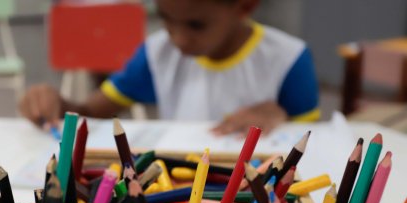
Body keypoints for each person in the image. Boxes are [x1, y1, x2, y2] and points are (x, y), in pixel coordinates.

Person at [19, 0, 319, 136]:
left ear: (244, 6)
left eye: (195, 24)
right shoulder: (156, 53)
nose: (177, 38)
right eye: (165, 17)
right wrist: (58, 104)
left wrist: (284, 117)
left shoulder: (289, 59)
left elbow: (314, 142)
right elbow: (90, 111)